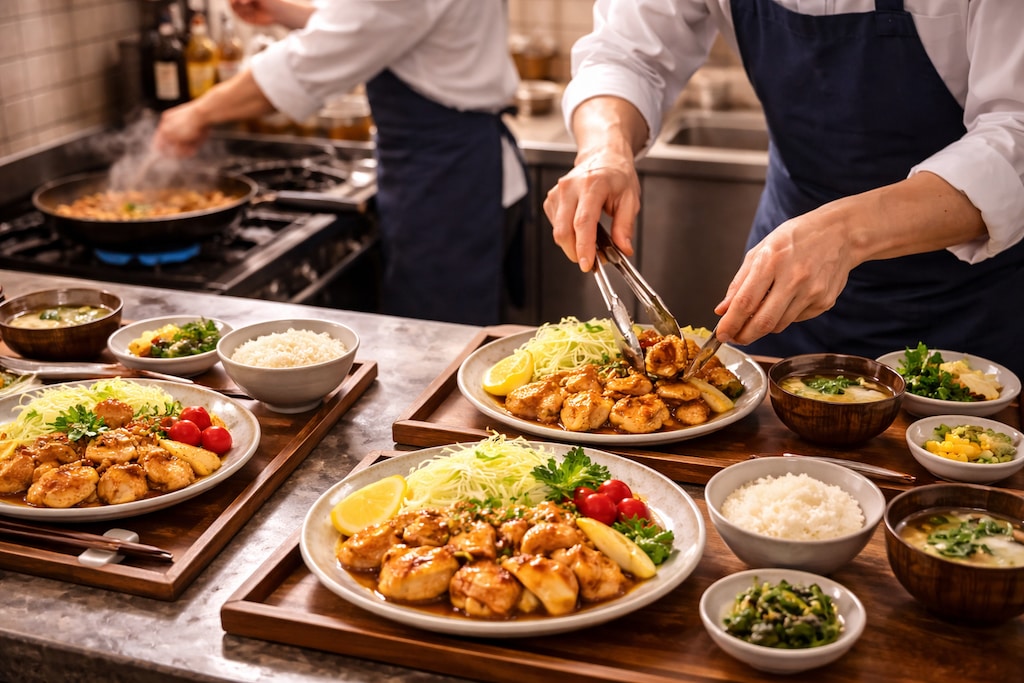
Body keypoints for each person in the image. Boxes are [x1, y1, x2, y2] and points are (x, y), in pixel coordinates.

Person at [543, 0, 1024, 377]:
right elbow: (625, 52)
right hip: (784, 284)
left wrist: (846, 232)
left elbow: (1015, 132)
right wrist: (604, 148)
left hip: (966, 305)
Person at [154, 0, 527, 325]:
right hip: (446, 171)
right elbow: (380, 20)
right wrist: (289, 12)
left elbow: (309, 62)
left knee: (443, 341)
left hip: (451, 182)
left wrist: (196, 114)